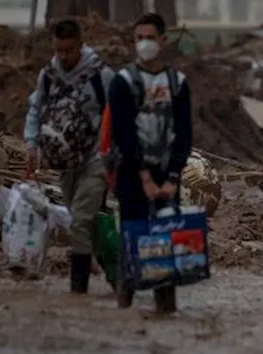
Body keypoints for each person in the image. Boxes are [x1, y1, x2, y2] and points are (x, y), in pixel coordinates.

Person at [107, 12, 194, 314]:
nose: (144, 44)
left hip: (167, 169)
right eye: (139, 39)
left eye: (150, 38)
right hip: (132, 172)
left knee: (166, 234)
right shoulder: (122, 82)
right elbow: (123, 132)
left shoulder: (178, 83)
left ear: (163, 40)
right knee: (132, 231)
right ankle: (125, 294)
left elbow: (184, 133)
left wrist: (172, 177)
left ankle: (165, 303)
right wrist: (144, 177)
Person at [23, 19, 115, 294]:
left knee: (80, 221)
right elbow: (35, 109)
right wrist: (31, 142)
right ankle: (118, 274)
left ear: (80, 45)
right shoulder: (48, 75)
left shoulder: (101, 76)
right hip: (64, 163)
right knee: (85, 222)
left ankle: (79, 290)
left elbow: (120, 112)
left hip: (95, 160)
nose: (64, 57)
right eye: (59, 50)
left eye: (69, 51)